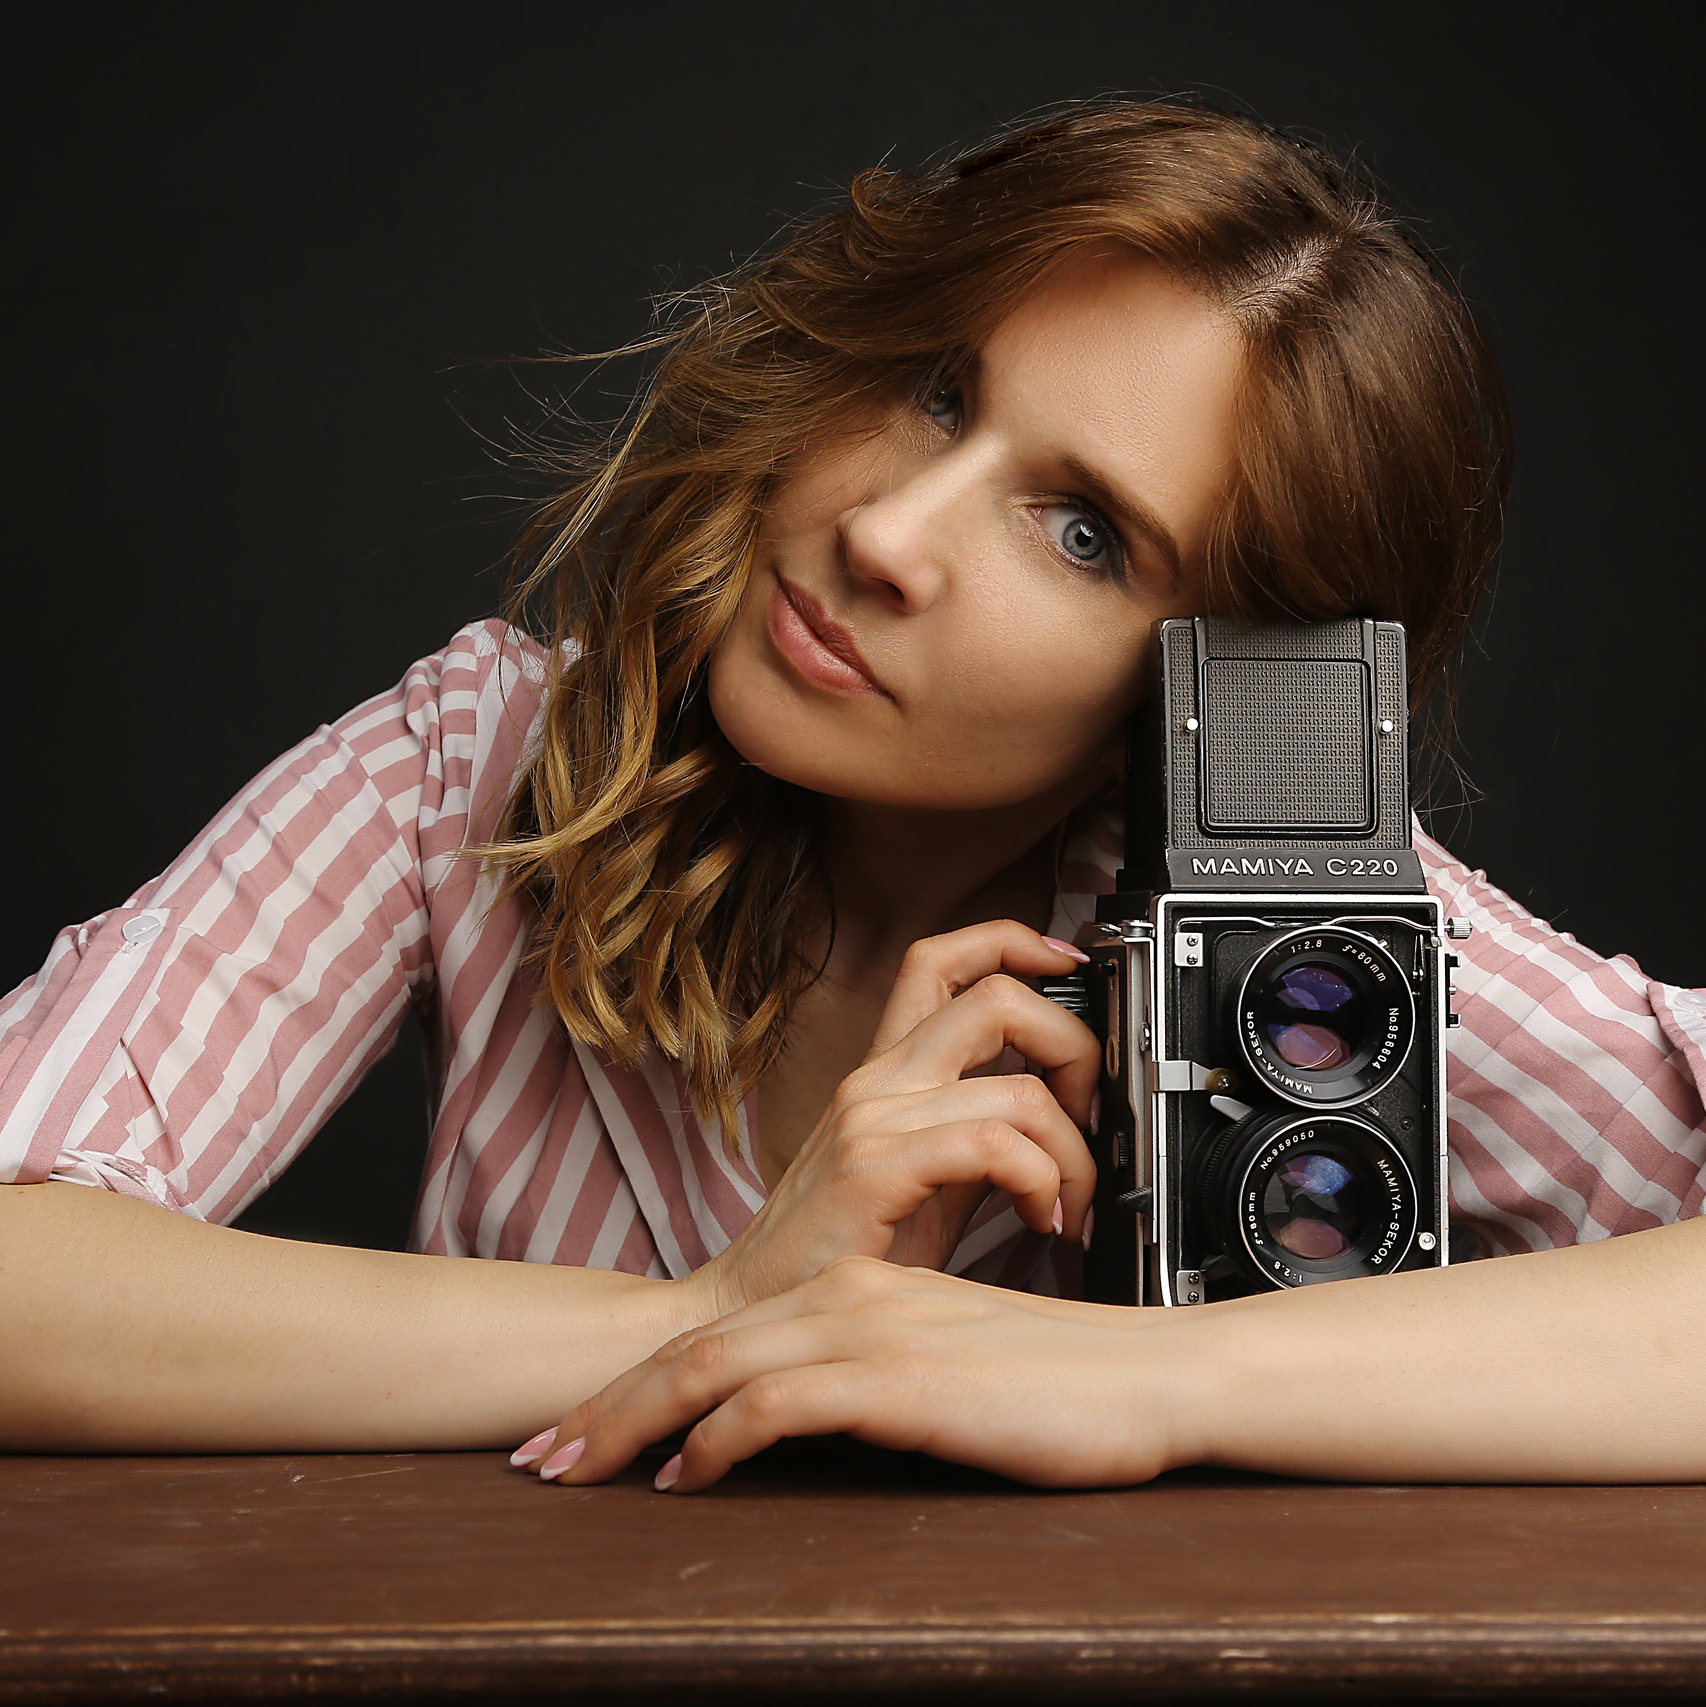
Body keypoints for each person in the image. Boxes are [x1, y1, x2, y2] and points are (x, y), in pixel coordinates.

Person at [2, 102, 1700, 1484]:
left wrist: (1154, 1378)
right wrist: (726, 1308)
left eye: (1083, 530)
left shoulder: (1303, 941)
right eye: (935, 390)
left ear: (1230, 678)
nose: (882, 536)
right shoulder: (481, 766)